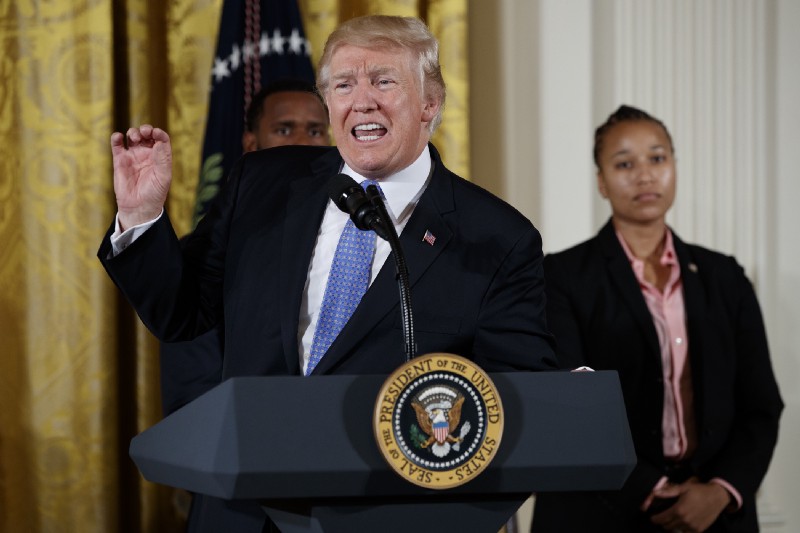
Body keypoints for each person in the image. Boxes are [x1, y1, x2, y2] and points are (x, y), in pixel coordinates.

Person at [99, 15, 557, 532]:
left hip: (387, 516)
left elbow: (512, 399)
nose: (362, 100)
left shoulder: (496, 238)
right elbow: (181, 314)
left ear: (430, 103)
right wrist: (141, 217)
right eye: (344, 85)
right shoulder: (262, 185)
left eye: (383, 81)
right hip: (241, 513)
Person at [531, 105, 783, 532]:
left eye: (658, 158)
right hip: (604, 509)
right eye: (624, 163)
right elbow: (569, 407)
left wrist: (721, 490)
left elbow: (760, 404)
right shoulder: (563, 277)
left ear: (674, 168)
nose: (645, 175)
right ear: (601, 182)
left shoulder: (725, 277)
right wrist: (653, 489)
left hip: (713, 511)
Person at [159, 77, 331, 416]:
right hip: (245, 439)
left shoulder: (362, 234)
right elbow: (194, 393)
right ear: (250, 144)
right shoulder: (214, 250)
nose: (301, 143)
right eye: (284, 130)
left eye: (314, 132)